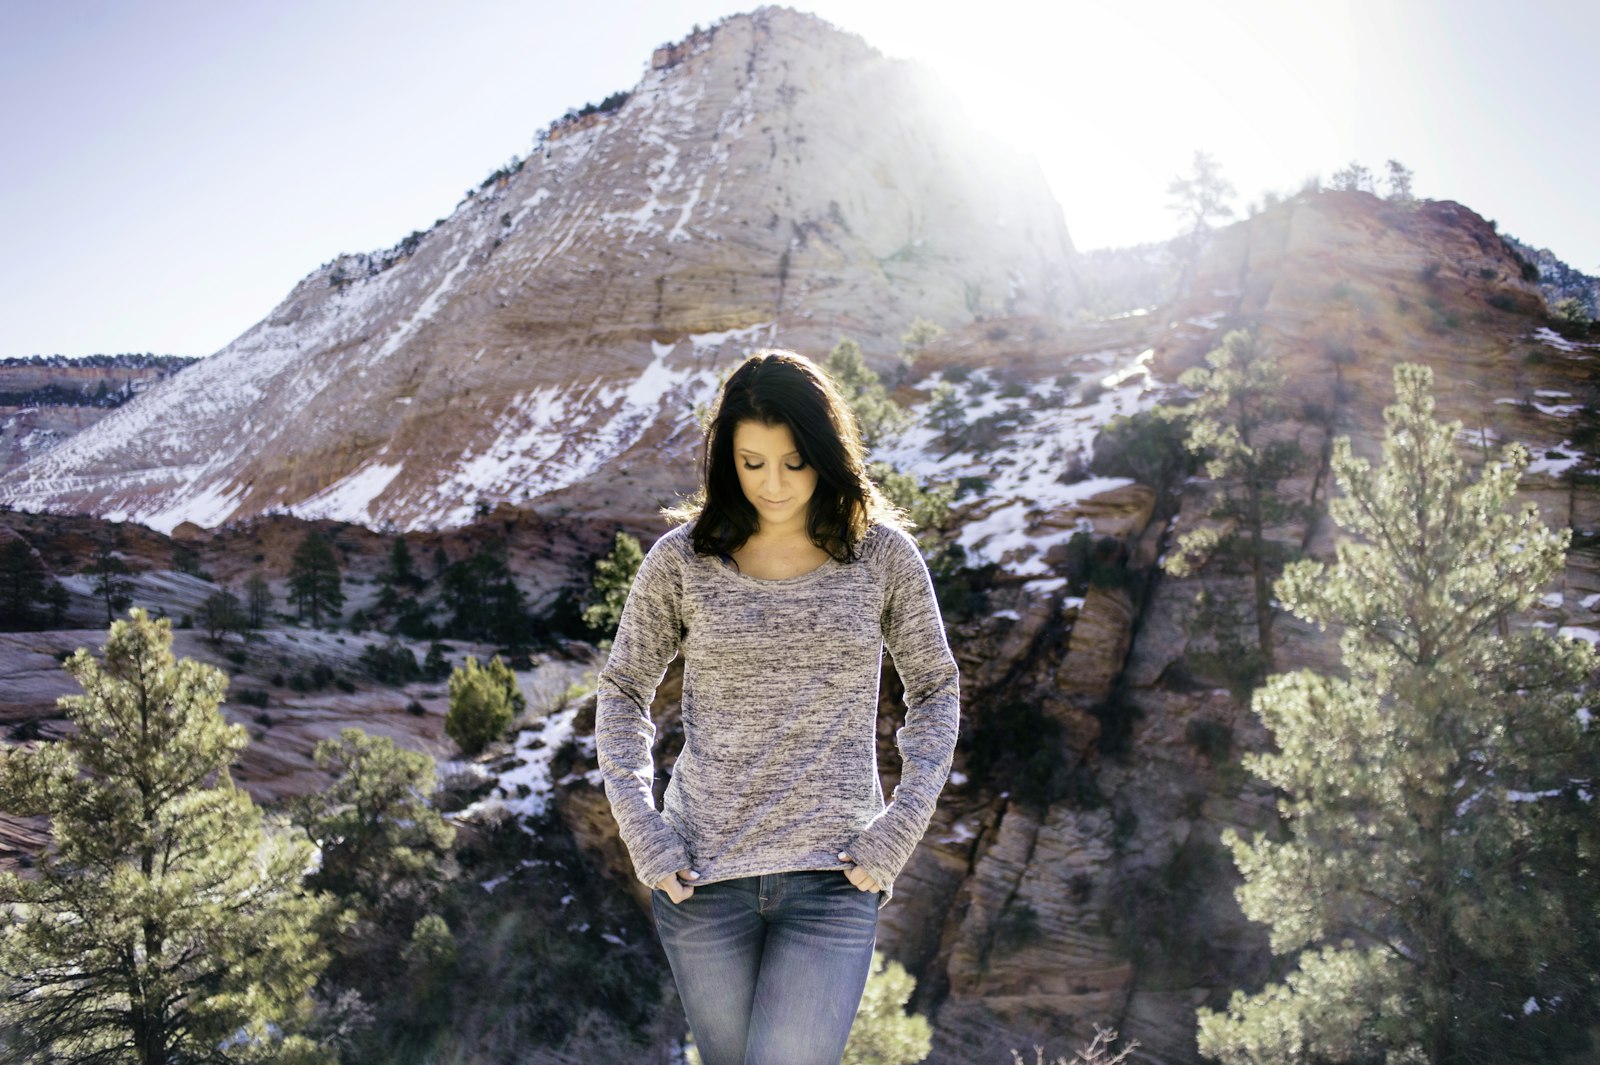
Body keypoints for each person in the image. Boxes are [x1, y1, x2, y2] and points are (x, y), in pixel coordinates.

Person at [594, 349, 961, 1065]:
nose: (773, 484)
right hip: (701, 880)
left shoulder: (881, 558)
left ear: (827, 453)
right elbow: (623, 690)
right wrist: (643, 830)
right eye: (752, 462)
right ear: (725, 458)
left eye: (794, 461)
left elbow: (937, 689)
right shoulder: (681, 560)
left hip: (834, 878)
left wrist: (901, 825)